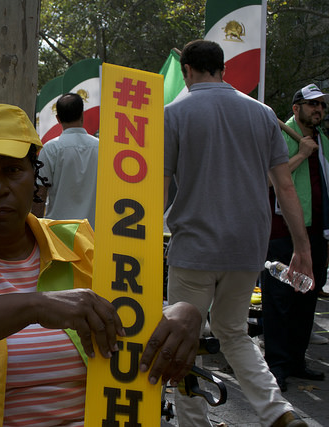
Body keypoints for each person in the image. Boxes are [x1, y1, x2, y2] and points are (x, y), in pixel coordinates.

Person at [0, 103, 202, 426]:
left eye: (12, 170)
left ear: (34, 178)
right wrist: (35, 307)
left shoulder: (81, 243)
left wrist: (184, 313)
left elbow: (138, 318)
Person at [164, 40, 314, 427]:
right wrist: (302, 247)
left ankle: (194, 424)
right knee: (234, 332)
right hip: (248, 247)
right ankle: (278, 412)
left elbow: (158, 188)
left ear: (187, 71)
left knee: (186, 341)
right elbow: (284, 186)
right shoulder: (263, 114)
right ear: (222, 69)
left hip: (194, 247)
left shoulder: (174, 113)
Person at [261, 83, 329, 392]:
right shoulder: (279, 137)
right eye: (312, 104)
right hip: (283, 233)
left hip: (317, 234)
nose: (318, 109)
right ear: (296, 108)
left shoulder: (324, 142)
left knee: (307, 298)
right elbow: (268, 180)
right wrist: (301, 154)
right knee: (279, 300)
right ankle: (277, 365)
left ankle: (297, 361)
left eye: (322, 105)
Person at [34, 92, 99, 228]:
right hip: (94, 232)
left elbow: (40, 193)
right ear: (82, 114)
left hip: (58, 233)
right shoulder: (101, 148)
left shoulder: (50, 149)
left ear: (58, 118)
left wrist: (36, 231)